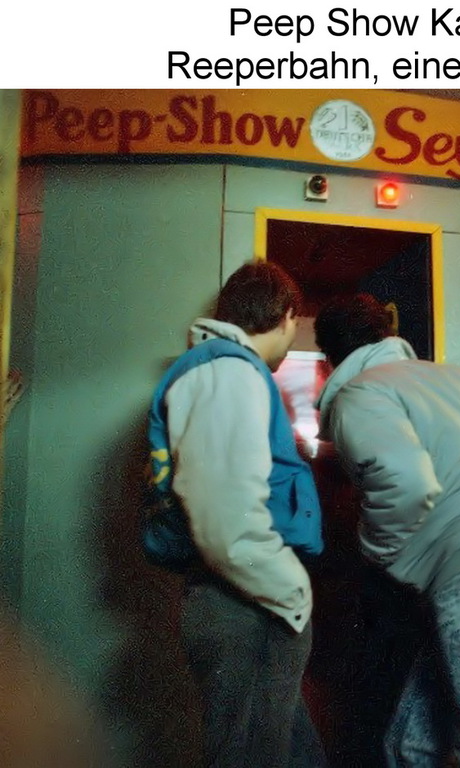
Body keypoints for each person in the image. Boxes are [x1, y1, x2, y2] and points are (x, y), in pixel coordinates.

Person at [312, 293, 460, 768]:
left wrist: (378, 553)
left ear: (329, 357)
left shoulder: (359, 394)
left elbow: (407, 483)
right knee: (410, 747)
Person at [149, 260, 326, 767]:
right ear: (286, 316)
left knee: (289, 753)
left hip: (241, 594)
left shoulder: (218, 368)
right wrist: (291, 592)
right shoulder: (229, 370)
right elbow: (225, 516)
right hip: (247, 602)